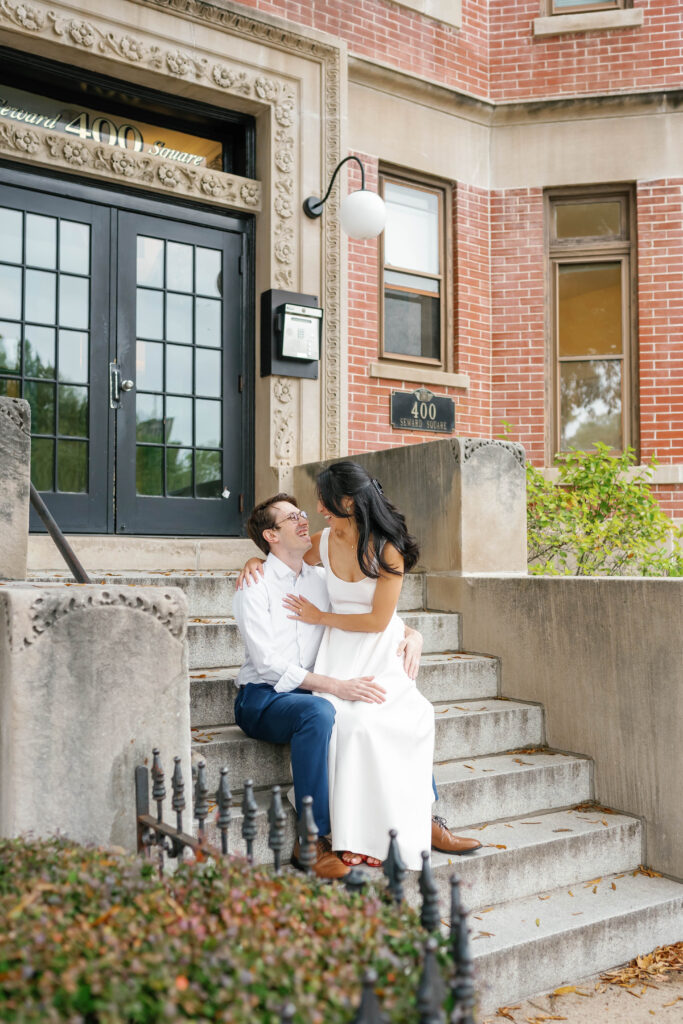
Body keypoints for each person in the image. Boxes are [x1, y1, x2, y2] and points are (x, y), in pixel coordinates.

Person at [236, 474, 481, 872]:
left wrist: (412, 634)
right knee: (327, 714)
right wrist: (254, 560)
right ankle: (312, 840)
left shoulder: (319, 576)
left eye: (307, 511)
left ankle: (420, 817)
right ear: (271, 536)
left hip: (329, 671)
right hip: (264, 693)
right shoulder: (256, 584)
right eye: (293, 517)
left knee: (403, 709)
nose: (308, 519)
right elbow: (267, 665)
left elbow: (368, 609)